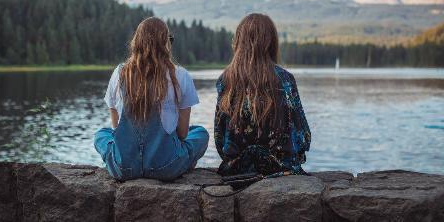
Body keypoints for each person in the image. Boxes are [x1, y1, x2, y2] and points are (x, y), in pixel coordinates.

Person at [94, 17, 209, 181]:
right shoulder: (181, 75)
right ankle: (184, 162)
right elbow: (183, 134)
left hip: (124, 168)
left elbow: (116, 128)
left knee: (102, 134)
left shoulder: (120, 73)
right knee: (200, 133)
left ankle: (117, 162)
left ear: (136, 42)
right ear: (166, 43)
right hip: (166, 167)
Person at [214, 13, 311, 176]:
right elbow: (303, 136)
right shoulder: (285, 79)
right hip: (280, 168)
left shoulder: (225, 79)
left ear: (239, 41)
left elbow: (219, 137)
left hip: (236, 169)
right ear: (271, 42)